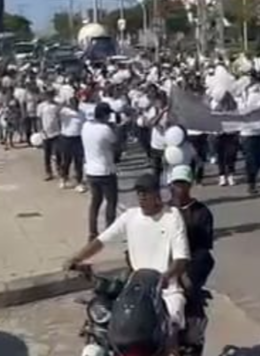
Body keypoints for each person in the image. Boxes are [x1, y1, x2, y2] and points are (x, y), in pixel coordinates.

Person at [66, 173, 191, 337]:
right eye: (139, 192)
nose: (142, 196)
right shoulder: (130, 217)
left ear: (157, 194)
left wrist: (167, 277)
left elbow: (181, 258)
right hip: (135, 288)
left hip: (166, 290)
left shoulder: (172, 216)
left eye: (146, 192)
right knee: (104, 327)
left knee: (171, 328)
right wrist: (76, 258)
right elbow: (101, 241)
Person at [168, 164, 214, 349]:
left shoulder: (202, 212)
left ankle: (193, 337)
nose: (178, 188)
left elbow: (203, 247)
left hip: (191, 264)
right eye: (176, 184)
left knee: (189, 296)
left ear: (190, 185)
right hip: (164, 263)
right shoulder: (164, 210)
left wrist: (185, 272)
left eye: (183, 184)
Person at [82, 102, 119, 239]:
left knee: (95, 202)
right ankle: (110, 231)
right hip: (105, 170)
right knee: (111, 201)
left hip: (91, 170)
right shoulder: (105, 129)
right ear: (104, 115)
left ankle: (92, 232)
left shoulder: (86, 126)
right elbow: (115, 143)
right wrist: (115, 128)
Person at [58, 94, 86, 191]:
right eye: (73, 103)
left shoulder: (82, 113)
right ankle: (63, 178)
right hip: (66, 138)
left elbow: (84, 125)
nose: (75, 105)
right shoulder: (65, 112)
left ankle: (79, 181)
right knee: (66, 160)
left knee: (78, 162)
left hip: (78, 139)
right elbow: (58, 109)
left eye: (76, 103)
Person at [38, 91, 63, 181]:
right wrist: (40, 130)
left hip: (56, 132)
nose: (49, 97)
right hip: (46, 133)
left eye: (51, 95)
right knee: (47, 154)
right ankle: (48, 172)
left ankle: (59, 170)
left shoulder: (57, 106)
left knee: (58, 153)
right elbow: (39, 119)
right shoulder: (41, 106)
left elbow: (60, 118)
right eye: (48, 95)